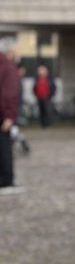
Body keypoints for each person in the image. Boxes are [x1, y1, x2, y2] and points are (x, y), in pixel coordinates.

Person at [0, 37, 23, 195]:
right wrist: (9, 115)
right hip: (2, 113)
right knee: (4, 147)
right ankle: (6, 180)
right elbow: (9, 93)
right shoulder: (8, 67)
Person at [32, 64, 56, 128]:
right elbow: (34, 88)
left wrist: (51, 94)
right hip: (39, 97)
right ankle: (43, 124)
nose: (41, 72)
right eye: (40, 70)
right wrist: (36, 94)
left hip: (47, 97)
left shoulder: (49, 78)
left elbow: (53, 87)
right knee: (41, 111)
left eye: (42, 70)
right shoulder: (37, 79)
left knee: (47, 111)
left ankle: (48, 124)